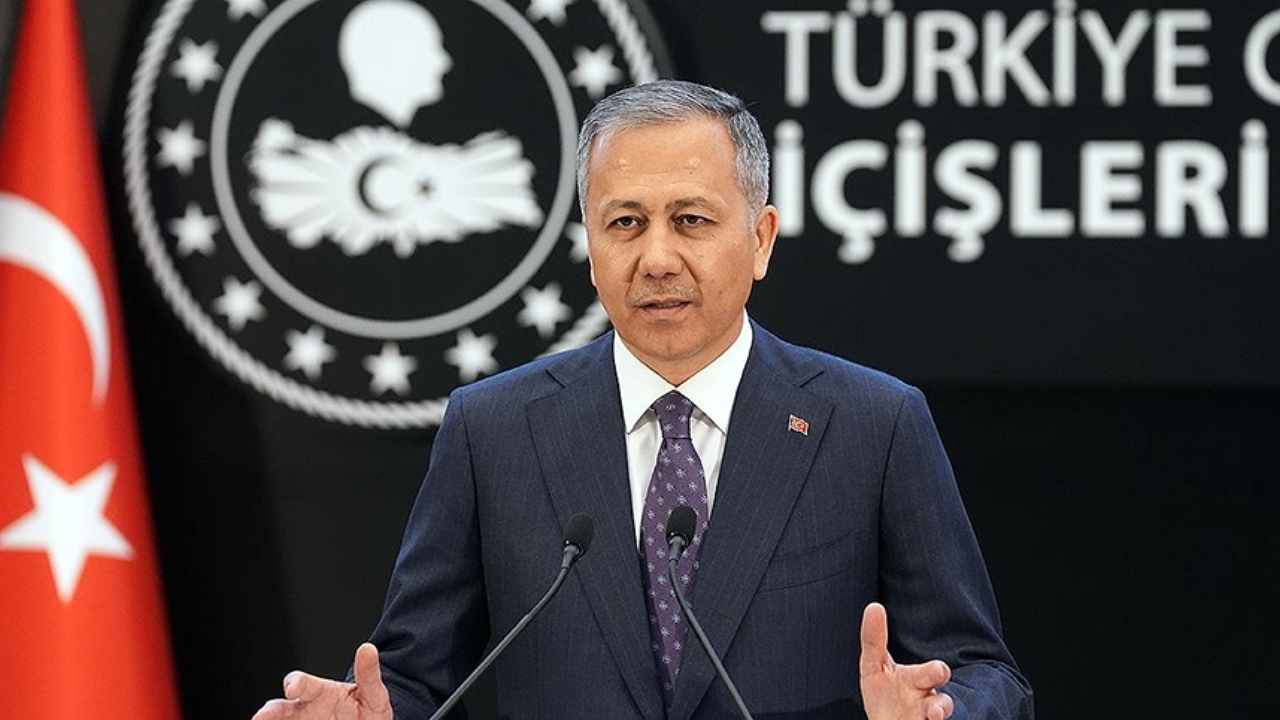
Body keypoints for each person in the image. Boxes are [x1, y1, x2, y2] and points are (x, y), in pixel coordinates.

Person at [253, 80, 1033, 720]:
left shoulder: (873, 425)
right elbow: (416, 676)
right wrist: (376, 714)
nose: (657, 258)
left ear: (760, 239)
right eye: (625, 223)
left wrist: (946, 712)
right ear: (590, 245)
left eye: (691, 220)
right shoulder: (492, 431)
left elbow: (983, 672)